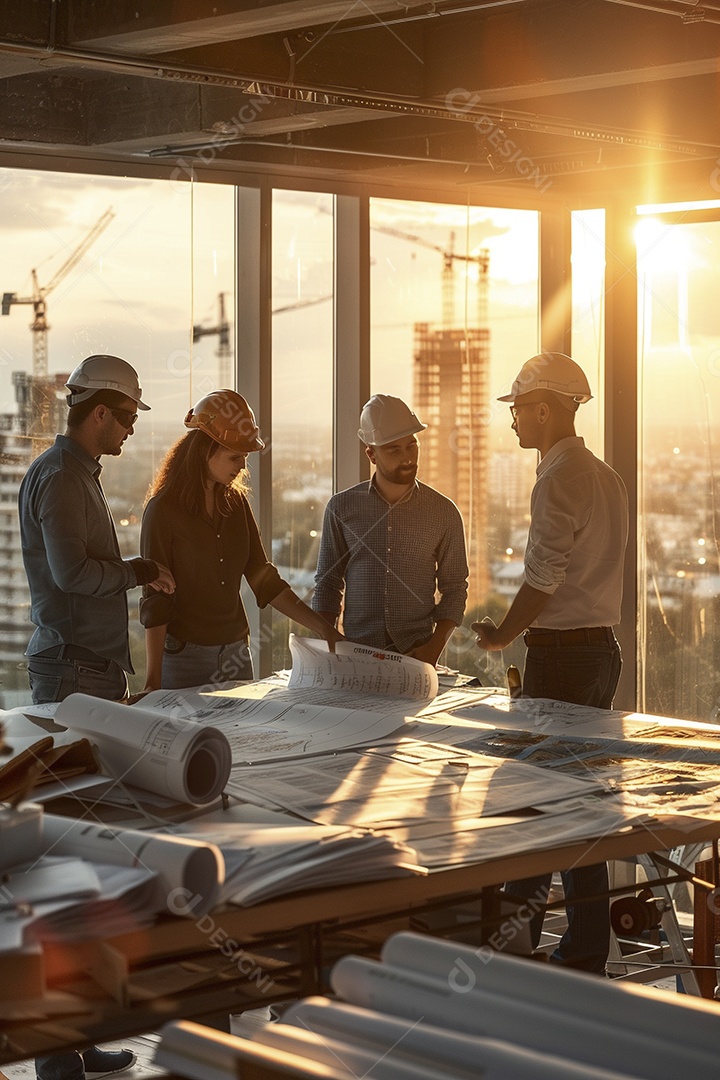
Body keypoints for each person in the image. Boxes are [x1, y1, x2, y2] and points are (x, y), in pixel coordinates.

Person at [18, 353, 175, 1080]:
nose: (129, 435)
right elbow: (69, 574)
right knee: (67, 859)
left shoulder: (75, 476)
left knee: (82, 862)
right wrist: (139, 571)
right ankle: (58, 1058)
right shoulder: (58, 479)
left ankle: (72, 1044)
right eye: (128, 420)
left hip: (89, 671)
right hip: (72, 673)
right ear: (102, 412)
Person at [473, 351, 629, 974]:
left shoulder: (557, 477)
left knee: (532, 801)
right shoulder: (605, 475)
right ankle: (586, 946)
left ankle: (517, 946)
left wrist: (500, 637)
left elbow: (543, 576)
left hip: (562, 657)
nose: (512, 420)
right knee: (580, 806)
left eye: (517, 410)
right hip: (598, 652)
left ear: (544, 409)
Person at [139, 389, 343, 690]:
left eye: (245, 457)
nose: (243, 467)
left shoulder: (235, 504)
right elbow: (155, 600)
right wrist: (152, 679)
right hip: (183, 661)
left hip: (236, 655)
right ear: (204, 450)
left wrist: (325, 630)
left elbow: (265, 580)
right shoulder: (162, 511)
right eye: (235, 457)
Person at [312, 394, 468, 666]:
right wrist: (329, 645)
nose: (407, 457)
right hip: (355, 656)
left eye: (411, 446)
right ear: (371, 454)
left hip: (418, 656)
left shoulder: (444, 512)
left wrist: (433, 649)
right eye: (394, 450)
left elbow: (454, 588)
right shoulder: (341, 508)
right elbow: (327, 583)